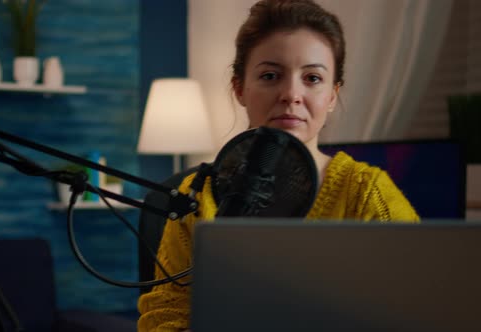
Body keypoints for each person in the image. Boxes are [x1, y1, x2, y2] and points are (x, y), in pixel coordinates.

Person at [137, 0, 420, 330]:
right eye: (270, 76)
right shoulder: (195, 197)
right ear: (240, 88)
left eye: (312, 78)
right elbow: (164, 316)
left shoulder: (367, 194)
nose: (291, 94)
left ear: (332, 96)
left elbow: (415, 308)